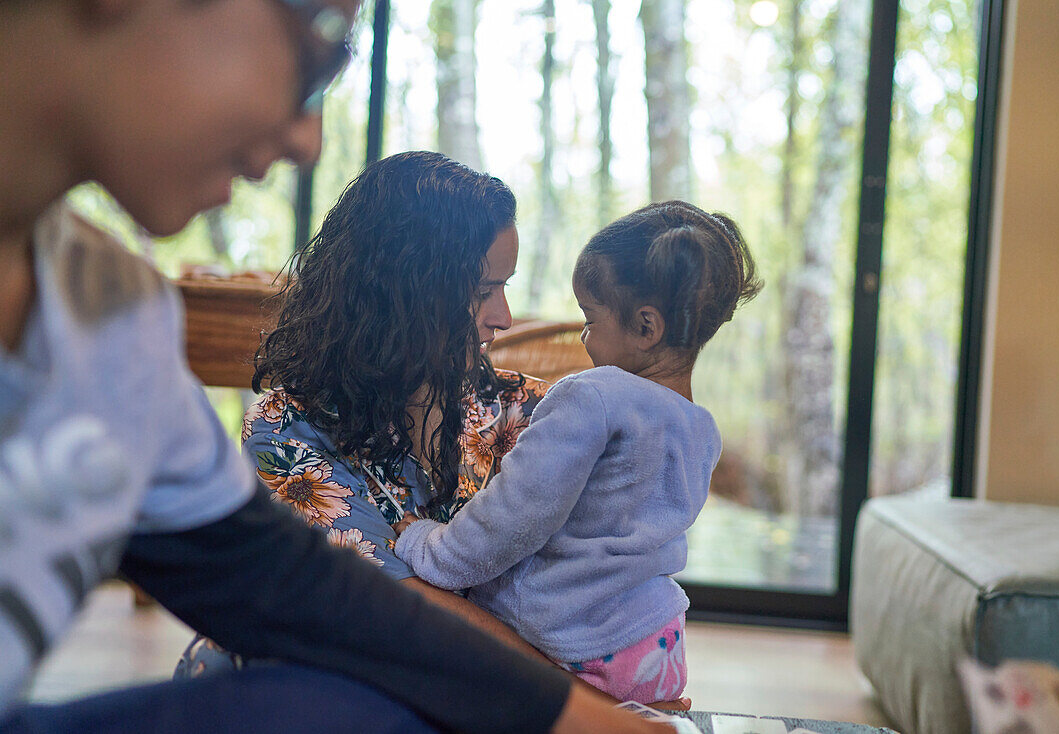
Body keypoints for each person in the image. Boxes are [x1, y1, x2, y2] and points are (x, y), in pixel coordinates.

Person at [0, 1, 675, 732]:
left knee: (350, 705)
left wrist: (596, 718)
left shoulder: (111, 315)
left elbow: (291, 588)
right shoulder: (289, 425)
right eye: (316, 44)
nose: (306, 138)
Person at [176, 150, 560, 676]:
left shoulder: (529, 413)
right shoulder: (287, 428)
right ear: (401, 293)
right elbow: (403, 612)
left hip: (468, 687)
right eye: (480, 292)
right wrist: (600, 711)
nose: (504, 318)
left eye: (505, 287)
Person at [392, 201, 763, 703]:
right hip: (657, 645)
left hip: (574, 643)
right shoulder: (701, 430)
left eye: (590, 320)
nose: (584, 337)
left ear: (646, 327)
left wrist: (425, 545)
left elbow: (514, 517)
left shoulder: (592, 397)